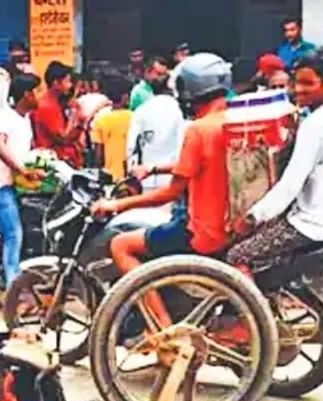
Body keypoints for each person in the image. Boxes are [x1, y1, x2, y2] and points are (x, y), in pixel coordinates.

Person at [92, 53, 234, 274]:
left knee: (120, 245)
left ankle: (156, 311)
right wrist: (154, 169)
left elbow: (170, 193)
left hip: (200, 232)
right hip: (228, 227)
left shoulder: (199, 129)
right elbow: (200, 165)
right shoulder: (233, 122)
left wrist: (116, 205)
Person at [229, 48, 323, 268]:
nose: (298, 90)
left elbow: (290, 185)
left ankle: (254, 304)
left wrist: (252, 217)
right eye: (296, 82)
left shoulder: (315, 124)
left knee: (238, 256)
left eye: (308, 84)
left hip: (310, 223)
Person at [0, 72, 45, 287]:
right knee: (14, 235)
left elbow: (25, 153)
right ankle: (13, 289)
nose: (41, 95)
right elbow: (0, 146)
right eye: (38, 91)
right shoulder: (3, 117)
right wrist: (22, 169)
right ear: (27, 94)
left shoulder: (25, 120)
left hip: (19, 188)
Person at [126, 56, 185, 194]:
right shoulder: (179, 112)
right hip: (173, 181)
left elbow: (131, 149)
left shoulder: (141, 111)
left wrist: (133, 176)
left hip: (144, 180)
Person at [32, 61, 83, 166]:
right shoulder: (47, 107)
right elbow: (63, 138)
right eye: (67, 81)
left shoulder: (56, 103)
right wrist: (74, 115)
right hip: (56, 161)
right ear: (56, 83)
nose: (70, 86)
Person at [90, 75, 134, 181]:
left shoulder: (101, 120)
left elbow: (99, 157)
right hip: (132, 175)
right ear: (125, 97)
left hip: (110, 176)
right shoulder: (135, 118)